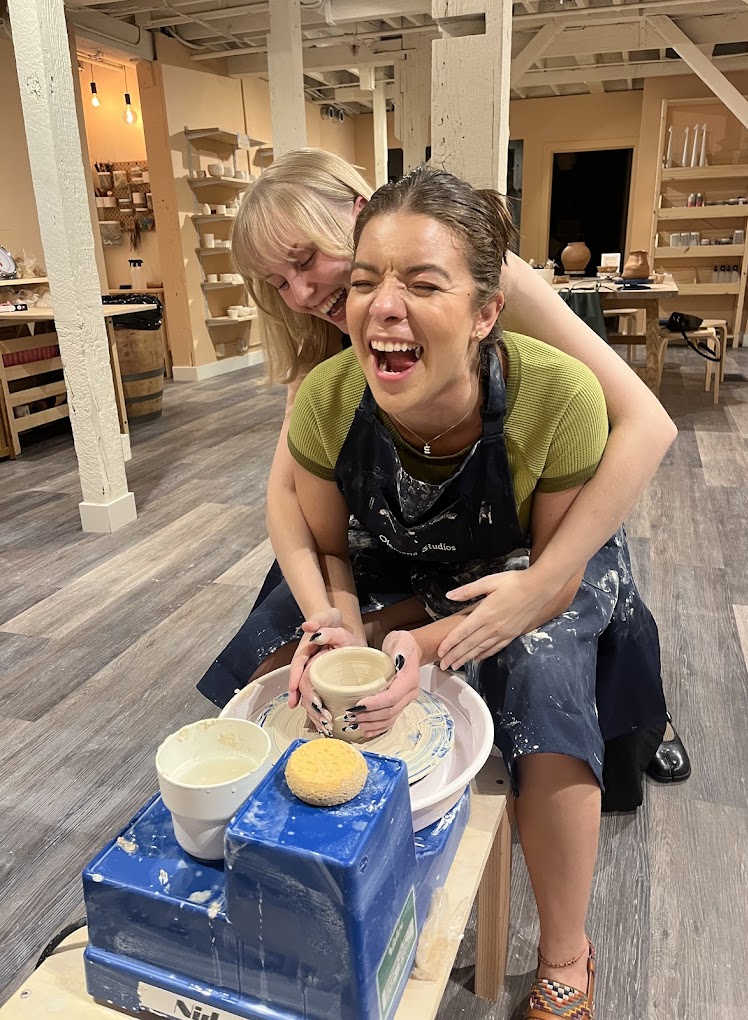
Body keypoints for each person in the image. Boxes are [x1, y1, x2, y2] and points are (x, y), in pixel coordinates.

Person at [261, 166, 670, 1017]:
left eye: (419, 283)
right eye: (363, 282)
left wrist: (440, 635)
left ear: (486, 309)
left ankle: (566, 948)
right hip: (412, 548)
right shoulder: (327, 390)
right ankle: (314, 877)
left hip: (539, 553)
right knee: (281, 654)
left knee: (543, 671)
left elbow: (557, 547)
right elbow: (314, 536)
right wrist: (340, 627)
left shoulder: (550, 388)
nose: (312, 294)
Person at [197, 148, 689, 785]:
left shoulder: (473, 269)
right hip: (406, 513)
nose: (301, 293)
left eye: (304, 262)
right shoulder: (324, 339)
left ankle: (640, 717)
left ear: (357, 215)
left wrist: (544, 580)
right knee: (290, 628)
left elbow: (647, 424)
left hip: (526, 504)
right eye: (277, 283)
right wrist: (329, 613)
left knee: (567, 615)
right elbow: (285, 497)